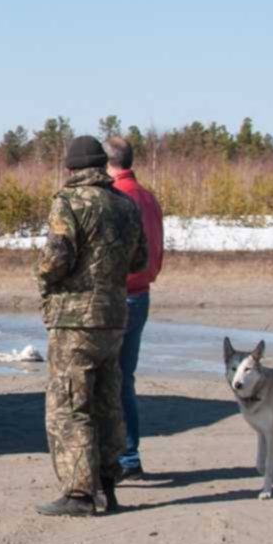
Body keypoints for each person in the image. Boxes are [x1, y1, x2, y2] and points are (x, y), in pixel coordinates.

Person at [35, 135, 149, 517]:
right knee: (107, 402)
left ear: (70, 169)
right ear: (101, 166)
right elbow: (140, 260)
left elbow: (55, 259)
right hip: (114, 319)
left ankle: (80, 493)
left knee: (70, 405)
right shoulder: (125, 204)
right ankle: (109, 485)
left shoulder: (67, 202)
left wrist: (44, 277)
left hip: (74, 321)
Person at [106, 135, 165, 478]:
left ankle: (121, 456)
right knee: (124, 378)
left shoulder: (117, 198)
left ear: (107, 163)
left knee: (109, 381)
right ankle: (129, 455)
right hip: (141, 294)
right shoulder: (147, 196)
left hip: (121, 296)